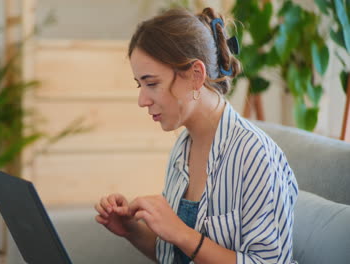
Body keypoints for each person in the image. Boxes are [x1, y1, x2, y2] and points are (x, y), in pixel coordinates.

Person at [94, 7, 299, 264]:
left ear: (195, 76)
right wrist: (131, 230)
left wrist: (180, 232)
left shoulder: (254, 155)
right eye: (140, 85)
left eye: (152, 83)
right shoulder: (183, 147)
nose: (142, 100)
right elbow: (174, 255)